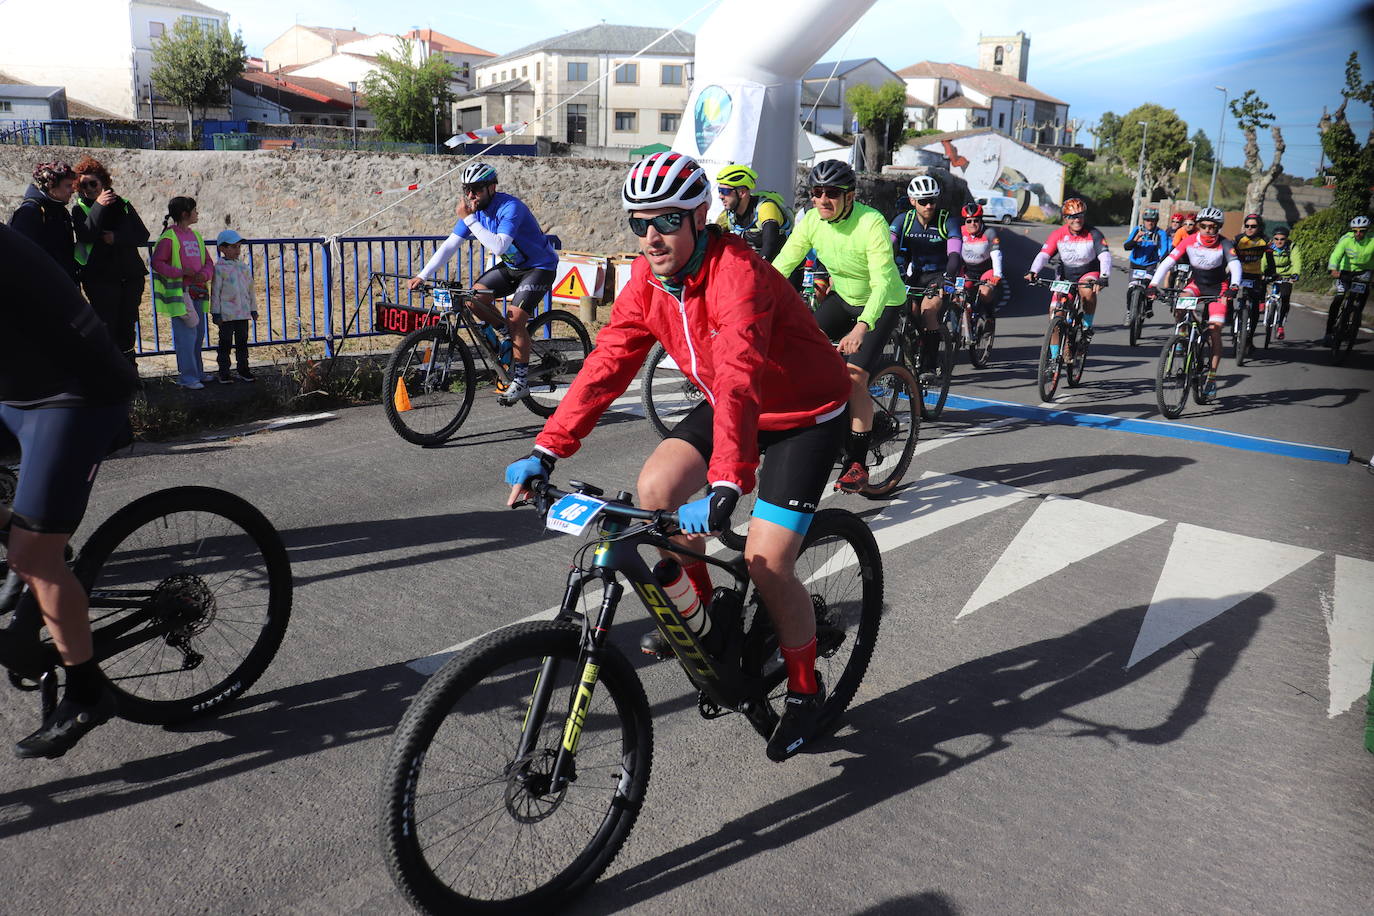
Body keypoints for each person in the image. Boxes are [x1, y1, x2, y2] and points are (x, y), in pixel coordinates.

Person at [504, 152, 851, 762]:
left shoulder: (736, 272)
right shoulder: (647, 278)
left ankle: (804, 689)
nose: (651, 236)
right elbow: (607, 364)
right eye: (639, 222)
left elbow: (742, 370)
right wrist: (546, 447)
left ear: (697, 217)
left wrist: (726, 483)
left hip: (801, 410)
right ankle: (707, 617)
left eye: (665, 219)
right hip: (731, 399)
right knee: (656, 491)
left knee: (768, 563)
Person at [0, 222, 140, 758]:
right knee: (29, 546)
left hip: (76, 395)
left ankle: (86, 694)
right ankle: (32, 551)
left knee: (35, 555)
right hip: (15, 393)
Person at [772, 159, 906, 493]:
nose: (822, 200)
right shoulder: (812, 220)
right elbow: (781, 266)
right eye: (816, 193)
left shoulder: (871, 222)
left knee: (854, 377)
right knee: (799, 353)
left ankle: (857, 463)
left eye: (832, 193)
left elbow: (882, 283)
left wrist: (862, 327)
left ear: (850, 196)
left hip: (882, 302)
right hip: (843, 297)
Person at [408, 162, 560, 405]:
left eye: (476, 189)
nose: (470, 196)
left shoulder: (511, 207)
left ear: (492, 188)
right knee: (472, 299)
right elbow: (449, 245)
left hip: (539, 267)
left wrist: (469, 220)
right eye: (467, 189)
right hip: (513, 267)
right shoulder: (475, 212)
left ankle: (520, 381)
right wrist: (423, 274)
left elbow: (499, 245)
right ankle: (506, 335)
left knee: (516, 318)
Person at [1148, 206, 1240, 399]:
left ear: (1218, 228)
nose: (1207, 230)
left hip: (1219, 288)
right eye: (1203, 226)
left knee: (1215, 329)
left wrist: (1234, 286)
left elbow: (1235, 264)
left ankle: (1212, 377)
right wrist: (1153, 284)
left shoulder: (1224, 244)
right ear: (1198, 226)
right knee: (1181, 301)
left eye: (1212, 227)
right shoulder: (1190, 241)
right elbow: (1168, 261)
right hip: (1196, 284)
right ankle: (1182, 334)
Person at [71, 156, 151, 364]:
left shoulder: (122, 205)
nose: (88, 188)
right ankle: (111, 373)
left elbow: (142, 235)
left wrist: (116, 238)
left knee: (127, 325)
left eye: (93, 183)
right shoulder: (80, 209)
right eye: (83, 185)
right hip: (101, 279)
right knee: (107, 325)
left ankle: (130, 372)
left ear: (104, 182)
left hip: (130, 276)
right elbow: (86, 234)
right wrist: (98, 206)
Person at [887, 173, 962, 382]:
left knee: (928, 312)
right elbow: (886, 245)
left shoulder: (947, 220)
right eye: (923, 201)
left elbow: (955, 253)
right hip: (916, 275)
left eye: (933, 200)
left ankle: (929, 365)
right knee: (907, 314)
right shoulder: (904, 220)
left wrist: (949, 278)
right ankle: (907, 362)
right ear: (912, 201)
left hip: (940, 275)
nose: (929, 205)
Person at [1024, 197, 1111, 368]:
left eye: (1080, 216)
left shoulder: (1094, 233)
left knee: (1087, 291)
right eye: (1072, 217)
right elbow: (1044, 255)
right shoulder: (1058, 234)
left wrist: (1104, 276)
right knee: (1055, 315)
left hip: (1088, 272)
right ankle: (1054, 359)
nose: (1076, 220)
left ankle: (1086, 327)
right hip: (1065, 275)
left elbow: (1105, 256)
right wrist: (1033, 272)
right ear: (1065, 219)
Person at [151, 197, 213, 389]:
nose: (198, 213)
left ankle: (198, 372)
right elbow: (157, 263)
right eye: (195, 210)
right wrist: (180, 273)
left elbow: (208, 262)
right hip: (181, 294)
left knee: (198, 334)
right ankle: (188, 377)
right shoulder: (169, 238)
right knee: (186, 337)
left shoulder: (196, 236)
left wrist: (204, 274)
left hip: (197, 292)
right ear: (186, 214)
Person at [8, 160, 78, 281]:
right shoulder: (30, 212)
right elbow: (19, 257)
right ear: (50, 185)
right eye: (68, 185)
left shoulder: (60, 210)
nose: (73, 190)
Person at [714, 163, 792, 261]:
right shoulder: (727, 214)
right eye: (719, 190)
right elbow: (711, 239)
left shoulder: (766, 208)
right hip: (756, 263)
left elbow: (770, 245)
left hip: (784, 267)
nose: (720, 196)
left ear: (742, 192)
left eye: (725, 191)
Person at [210, 229, 258, 383]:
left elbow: (250, 289)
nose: (237, 250)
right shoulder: (219, 268)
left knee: (242, 343)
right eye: (233, 247)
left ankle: (244, 369)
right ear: (222, 249)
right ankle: (224, 372)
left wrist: (253, 308)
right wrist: (215, 313)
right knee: (225, 344)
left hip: (243, 314)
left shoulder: (243, 267)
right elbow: (215, 292)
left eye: (238, 247)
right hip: (227, 315)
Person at [1324, 215, 1374, 346]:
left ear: (1367, 230)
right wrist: (1333, 268)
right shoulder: (1346, 239)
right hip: (1345, 271)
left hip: (1365, 271)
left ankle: (1356, 319)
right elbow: (1336, 254)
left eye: (1362, 231)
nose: (1358, 233)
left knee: (1363, 295)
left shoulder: (1373, 240)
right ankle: (1329, 332)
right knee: (1339, 298)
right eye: (1355, 231)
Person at [954, 202, 1003, 328]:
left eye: (976, 220)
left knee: (985, 293)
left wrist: (997, 274)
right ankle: (955, 330)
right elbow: (953, 253)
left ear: (981, 221)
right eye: (968, 221)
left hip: (986, 271)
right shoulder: (960, 232)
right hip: (968, 270)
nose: (972, 224)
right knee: (957, 297)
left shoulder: (989, 233)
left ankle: (989, 317)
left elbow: (996, 254)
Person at [1123, 206, 1170, 323]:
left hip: (1150, 265)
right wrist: (1135, 240)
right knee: (1131, 289)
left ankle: (1148, 306)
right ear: (1144, 220)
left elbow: (1164, 250)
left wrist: (1162, 261)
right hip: (1135, 264)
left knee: (1148, 288)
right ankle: (1129, 312)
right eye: (1148, 220)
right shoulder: (1137, 230)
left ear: (1156, 221)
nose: (1150, 223)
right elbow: (1126, 246)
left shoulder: (1160, 233)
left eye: (1153, 220)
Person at [1233, 214, 1276, 339]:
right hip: (1239, 274)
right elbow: (1230, 257)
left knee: (1255, 305)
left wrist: (1271, 274)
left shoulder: (1265, 241)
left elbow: (1270, 260)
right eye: (1247, 226)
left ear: (1259, 228)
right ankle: (1232, 324)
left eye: (1253, 226)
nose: (1250, 228)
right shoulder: (1238, 239)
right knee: (1228, 298)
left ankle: (1250, 336)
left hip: (1255, 276)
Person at [1268, 225, 1302, 340]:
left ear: (1286, 239)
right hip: (1272, 274)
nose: (1279, 242)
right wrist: (1262, 273)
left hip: (1286, 276)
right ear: (1273, 239)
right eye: (1276, 239)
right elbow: (1263, 259)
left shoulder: (1292, 247)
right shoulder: (1269, 247)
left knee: (1285, 297)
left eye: (1282, 239)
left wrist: (1295, 274)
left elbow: (1296, 261)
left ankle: (1281, 325)